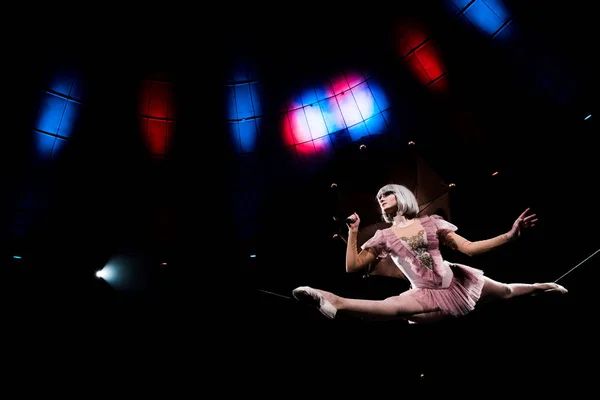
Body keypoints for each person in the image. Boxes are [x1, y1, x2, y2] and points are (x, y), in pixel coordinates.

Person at [293, 183, 567, 324]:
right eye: (379, 198)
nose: (382, 198)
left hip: (459, 281)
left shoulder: (431, 223)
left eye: (387, 194)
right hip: (424, 291)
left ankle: (541, 286)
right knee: (391, 308)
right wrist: (354, 230)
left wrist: (509, 236)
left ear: (402, 196)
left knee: (506, 291)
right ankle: (332, 300)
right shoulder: (383, 237)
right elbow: (352, 267)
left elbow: (469, 249)